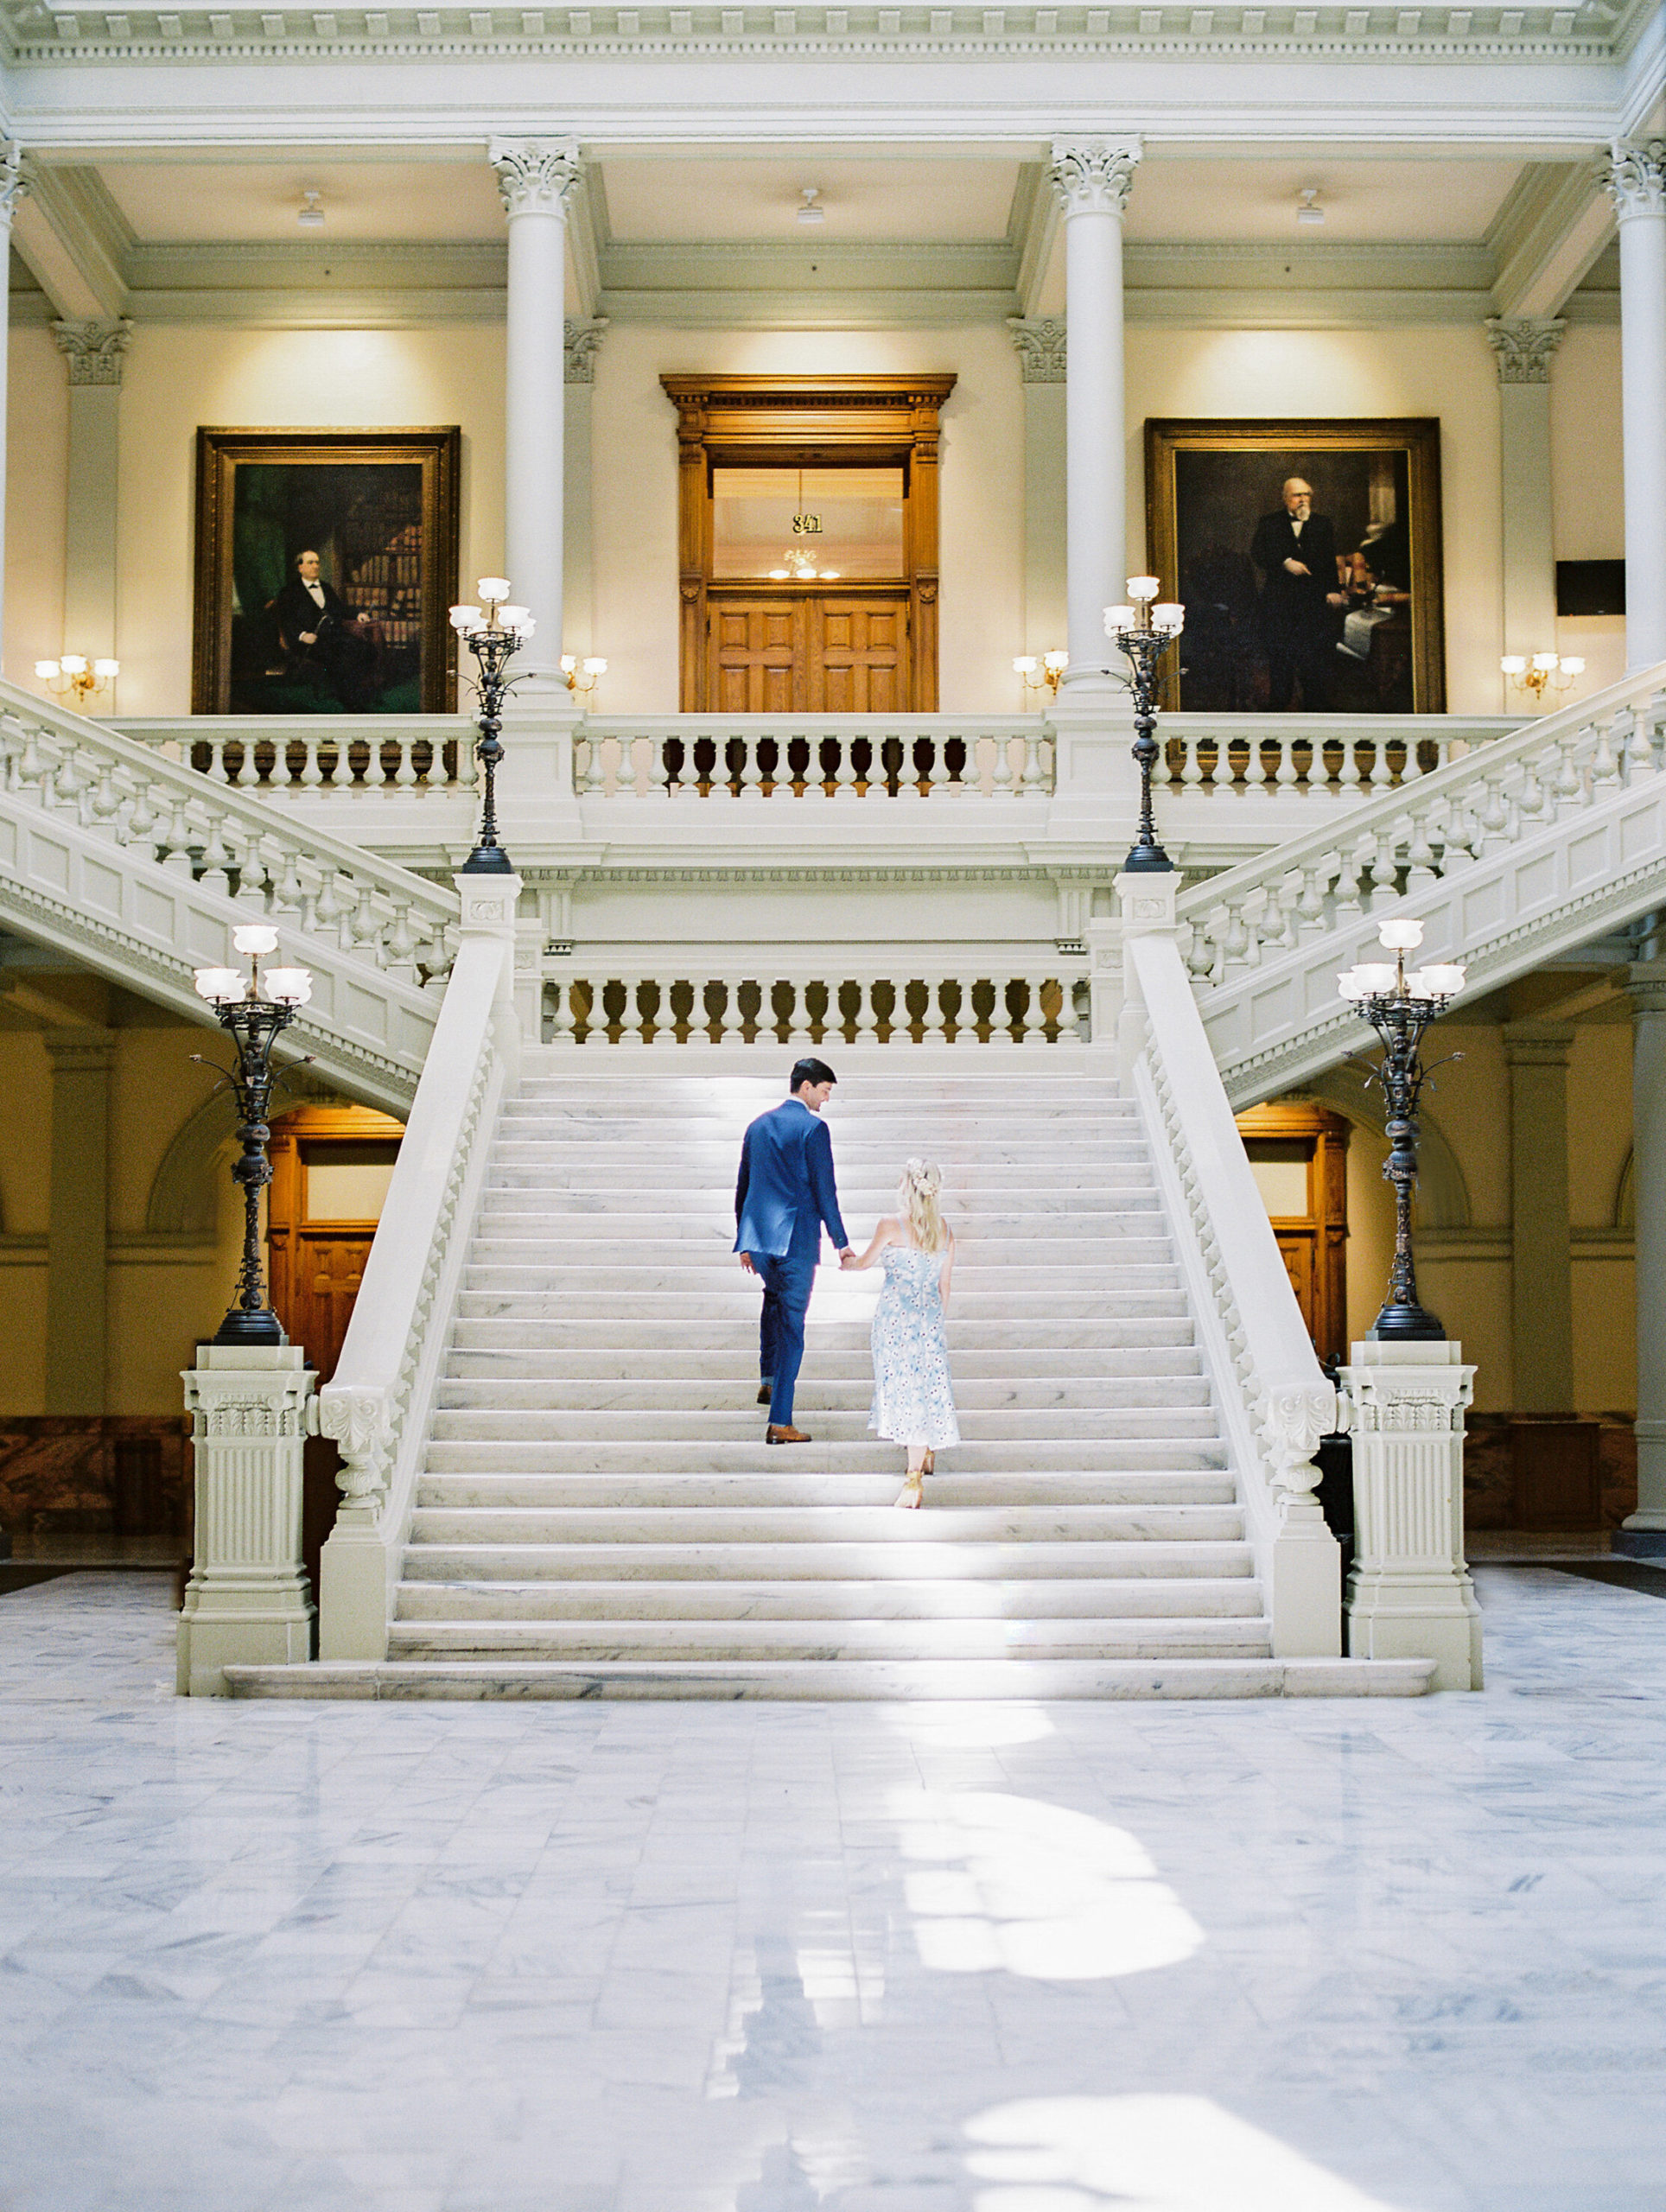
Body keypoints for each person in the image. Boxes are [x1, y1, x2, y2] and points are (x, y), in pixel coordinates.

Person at [734, 1058, 855, 1445]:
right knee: (793, 1328)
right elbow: (825, 1191)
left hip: (759, 1240)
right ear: (806, 1087)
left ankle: (768, 1380)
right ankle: (780, 1421)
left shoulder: (757, 1126)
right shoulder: (814, 1129)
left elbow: (744, 1185)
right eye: (824, 1091)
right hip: (795, 1242)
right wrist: (842, 1242)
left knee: (772, 1301)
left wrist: (745, 1239)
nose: (826, 1099)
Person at [846, 1158, 959, 1510]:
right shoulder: (945, 1231)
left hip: (895, 1321)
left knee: (905, 1392)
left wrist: (846, 1258)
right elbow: (944, 1287)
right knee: (926, 1388)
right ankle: (925, 1452)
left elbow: (863, 1263)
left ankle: (913, 1477)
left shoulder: (890, 1226)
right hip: (928, 1321)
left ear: (906, 1188)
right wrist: (934, 1323)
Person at [1249, 477, 1347, 711]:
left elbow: (1328, 561)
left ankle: (1315, 721)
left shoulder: (1322, 524)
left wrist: (1333, 589)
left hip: (1312, 604)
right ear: (1285, 499)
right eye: (1297, 495)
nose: (1303, 499)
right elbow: (1258, 554)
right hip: (1279, 605)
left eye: (1307, 494)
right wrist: (1285, 562)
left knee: (1312, 664)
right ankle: (1279, 721)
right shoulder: (1269, 523)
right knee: (1281, 663)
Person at [272, 549, 381, 710]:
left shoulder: (326, 587)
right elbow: (288, 621)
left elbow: (340, 608)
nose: (316, 566)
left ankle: (353, 689)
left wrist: (358, 614)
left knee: (368, 649)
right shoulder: (290, 592)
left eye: (317, 562)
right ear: (300, 568)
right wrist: (302, 635)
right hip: (310, 641)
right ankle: (348, 698)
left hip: (334, 635)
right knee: (342, 655)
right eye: (310, 563)